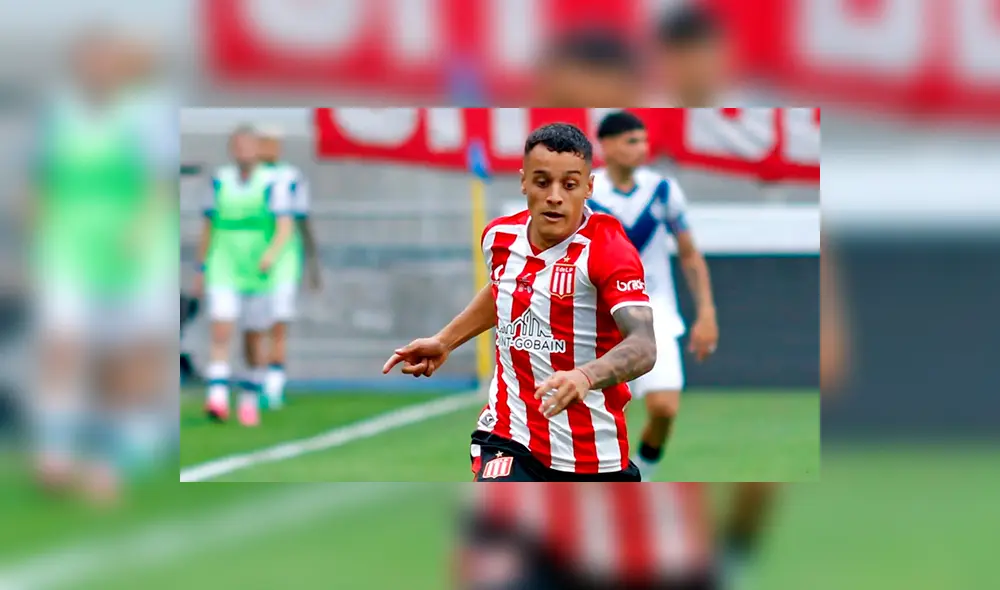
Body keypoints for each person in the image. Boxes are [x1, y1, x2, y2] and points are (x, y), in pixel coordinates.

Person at [384, 123, 656, 482]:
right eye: (542, 182)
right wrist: (445, 340)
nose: (555, 196)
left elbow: (643, 346)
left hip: (592, 452)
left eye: (569, 184)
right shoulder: (499, 237)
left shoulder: (608, 250)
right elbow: (504, 290)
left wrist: (585, 376)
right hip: (507, 436)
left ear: (589, 187)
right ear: (524, 181)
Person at [589, 111, 718, 482]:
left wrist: (706, 312)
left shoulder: (663, 190)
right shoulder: (586, 190)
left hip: (653, 312)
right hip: (600, 314)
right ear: (607, 146)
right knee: (600, 416)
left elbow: (690, 253)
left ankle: (642, 474)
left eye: (644, 141)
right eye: (632, 141)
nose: (641, 149)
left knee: (663, 408)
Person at [192, 125, 294, 427]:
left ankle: (249, 396)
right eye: (238, 146)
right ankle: (218, 397)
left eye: (249, 146)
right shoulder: (220, 181)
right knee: (221, 329)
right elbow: (208, 226)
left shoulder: (271, 182)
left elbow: (284, 226)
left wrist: (271, 254)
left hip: (258, 269)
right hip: (224, 264)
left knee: (253, 337)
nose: (243, 152)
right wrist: (202, 266)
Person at [254, 125, 321, 410]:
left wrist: (313, 261)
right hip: (246, 260)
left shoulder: (290, 177)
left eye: (273, 142)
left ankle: (273, 385)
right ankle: (255, 380)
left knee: (278, 322)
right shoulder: (239, 178)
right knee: (252, 323)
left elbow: (302, 220)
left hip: (283, 260)